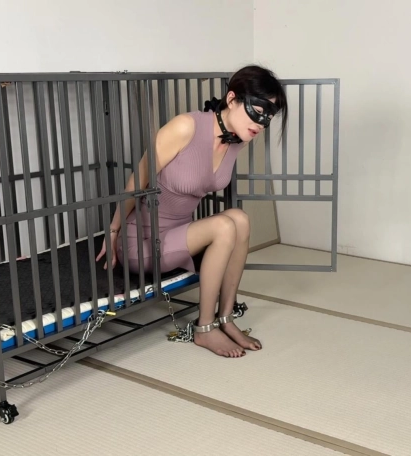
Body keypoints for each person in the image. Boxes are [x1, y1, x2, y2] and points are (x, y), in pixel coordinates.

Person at [96, 64, 288, 358]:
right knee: (224, 225)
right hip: (143, 242)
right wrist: (113, 231)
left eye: (268, 118)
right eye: (257, 112)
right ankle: (204, 328)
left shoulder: (237, 140)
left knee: (240, 218)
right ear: (232, 98)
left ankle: (226, 317)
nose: (261, 124)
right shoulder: (186, 127)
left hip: (179, 236)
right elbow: (138, 181)